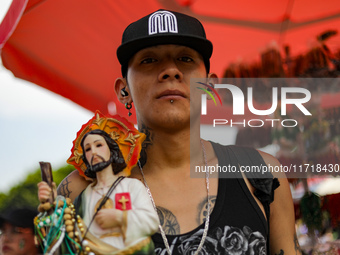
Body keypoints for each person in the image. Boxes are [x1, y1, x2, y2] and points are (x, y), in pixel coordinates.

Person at [57, 9, 302, 255]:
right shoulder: (80, 192)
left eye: (185, 59)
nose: (171, 71)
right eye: (149, 60)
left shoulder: (262, 174)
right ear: (124, 91)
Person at [38, 112, 159, 254]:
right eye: (88, 149)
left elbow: (151, 221)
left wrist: (120, 217)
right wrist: (52, 203)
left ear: (112, 150)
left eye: (99, 145)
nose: (94, 152)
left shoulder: (132, 186)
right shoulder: (84, 197)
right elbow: (66, 233)